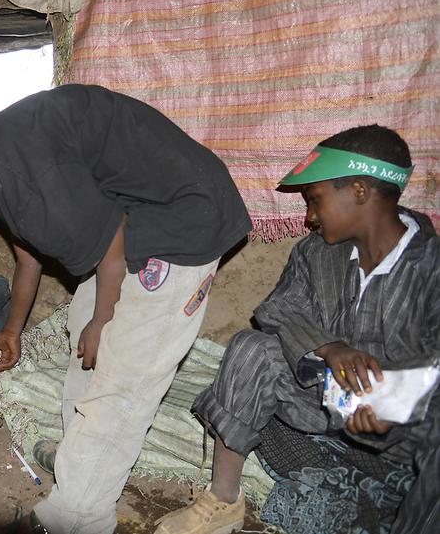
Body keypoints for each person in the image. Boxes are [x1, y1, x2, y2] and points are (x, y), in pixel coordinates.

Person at [0, 83, 251, 534]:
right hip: (135, 221)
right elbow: (29, 255)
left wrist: (104, 320)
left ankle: (75, 516)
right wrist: (13, 328)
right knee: (83, 338)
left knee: (124, 372)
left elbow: (109, 242)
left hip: (184, 221)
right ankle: (81, 462)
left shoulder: (24, 159)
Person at [154, 125, 439, 534]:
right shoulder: (315, 252)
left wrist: (393, 401)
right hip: (322, 405)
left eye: (315, 200)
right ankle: (223, 501)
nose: (309, 217)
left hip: (404, 435)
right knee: (253, 348)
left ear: (359, 191)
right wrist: (329, 347)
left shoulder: (430, 266)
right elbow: (279, 308)